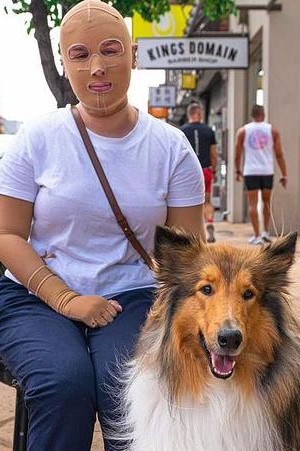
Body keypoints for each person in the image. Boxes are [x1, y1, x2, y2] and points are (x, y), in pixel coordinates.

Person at [0, 2, 206, 451]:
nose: (97, 67)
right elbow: (7, 235)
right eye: (79, 54)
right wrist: (67, 299)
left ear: (133, 55)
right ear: (63, 62)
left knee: (128, 387)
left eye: (111, 50)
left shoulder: (171, 149)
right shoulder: (36, 140)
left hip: (134, 296)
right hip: (33, 295)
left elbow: (189, 256)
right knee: (63, 383)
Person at [235, 104, 288, 245]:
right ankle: (265, 233)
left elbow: (237, 154)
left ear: (252, 115)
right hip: (267, 171)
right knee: (266, 203)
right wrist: (284, 174)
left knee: (252, 204)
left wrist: (237, 170)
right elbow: (279, 154)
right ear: (263, 114)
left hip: (251, 171)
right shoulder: (272, 131)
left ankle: (257, 235)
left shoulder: (243, 131)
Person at [181, 102, 218, 243]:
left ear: (189, 114)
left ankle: (192, 231)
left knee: (187, 202)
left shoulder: (182, 132)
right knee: (207, 200)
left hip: (188, 172)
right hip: (205, 170)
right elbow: (213, 153)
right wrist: (213, 168)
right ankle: (209, 222)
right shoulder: (208, 131)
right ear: (198, 113)